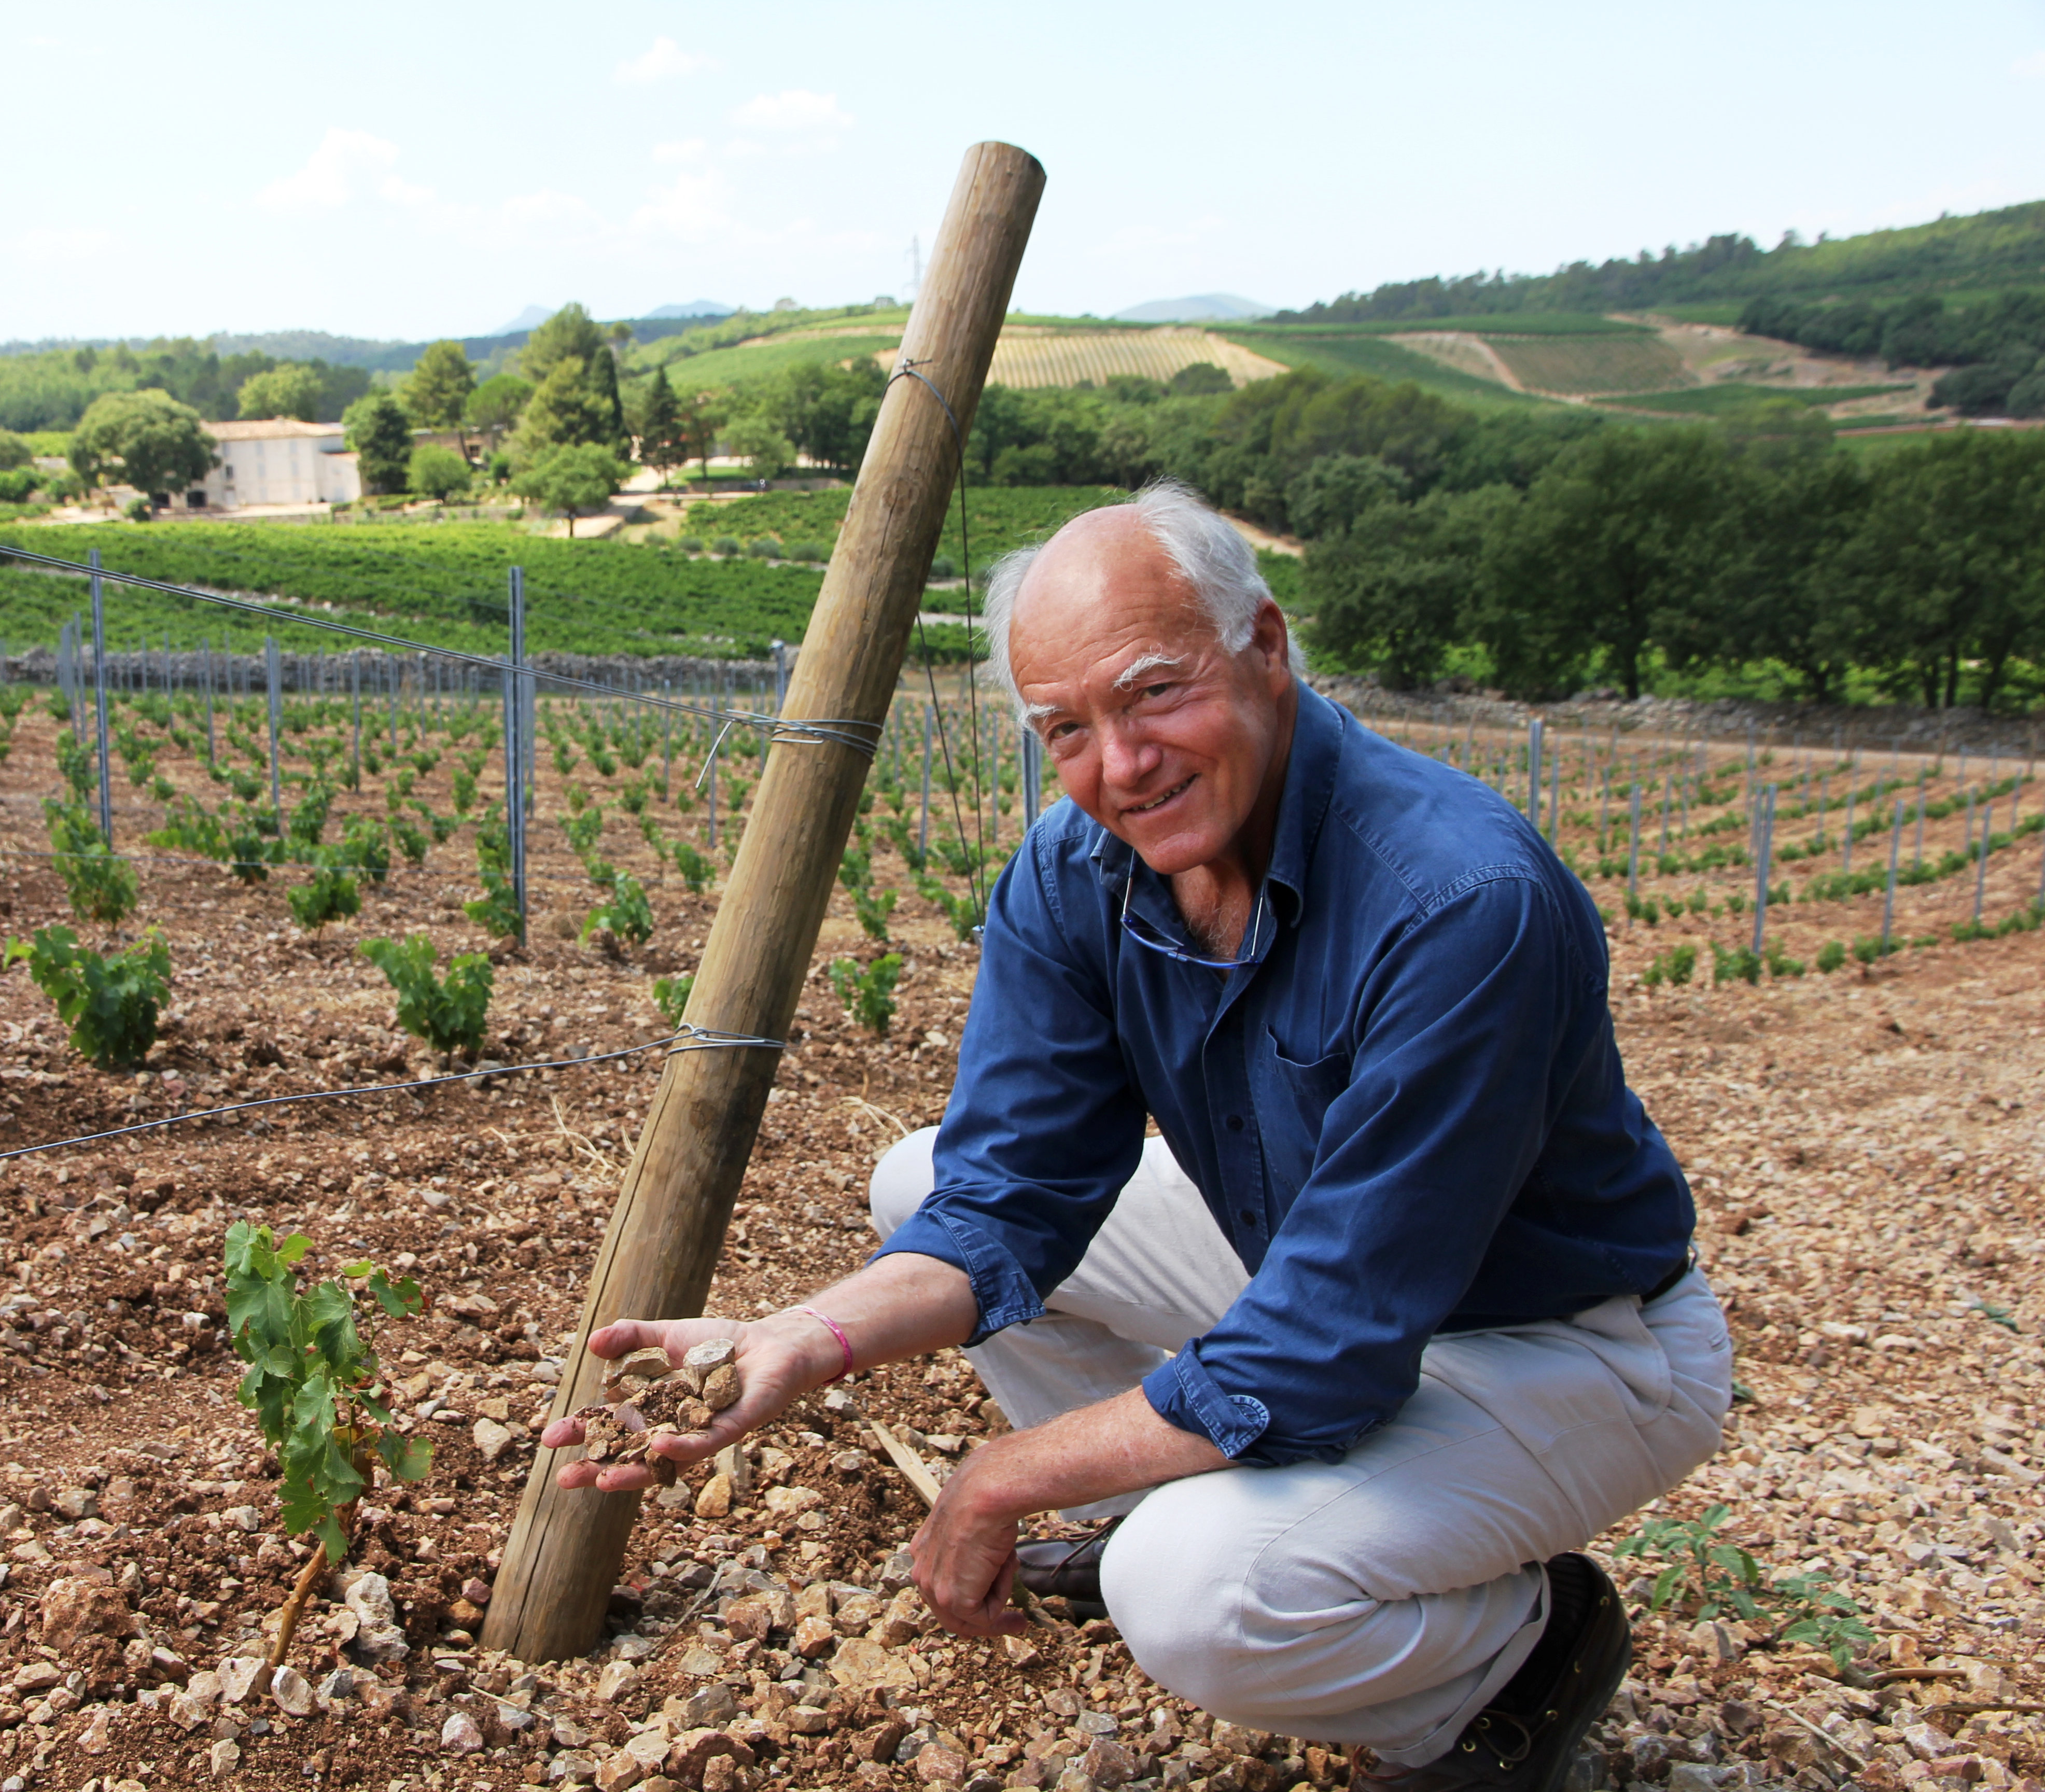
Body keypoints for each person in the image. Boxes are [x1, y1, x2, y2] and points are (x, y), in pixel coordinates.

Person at [543, 480, 1729, 1792]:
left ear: (1266, 649)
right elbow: (1006, 1197)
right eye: (1065, 728)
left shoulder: (1460, 899)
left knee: (1194, 1597)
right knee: (921, 1181)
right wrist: (802, 1341)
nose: (1119, 765)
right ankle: (1215, 1511)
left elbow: (1325, 1345)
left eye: (1155, 693)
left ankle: (1518, 1649)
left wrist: (1003, 1475)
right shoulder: (1078, 870)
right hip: (1318, 1271)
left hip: (1562, 1339)